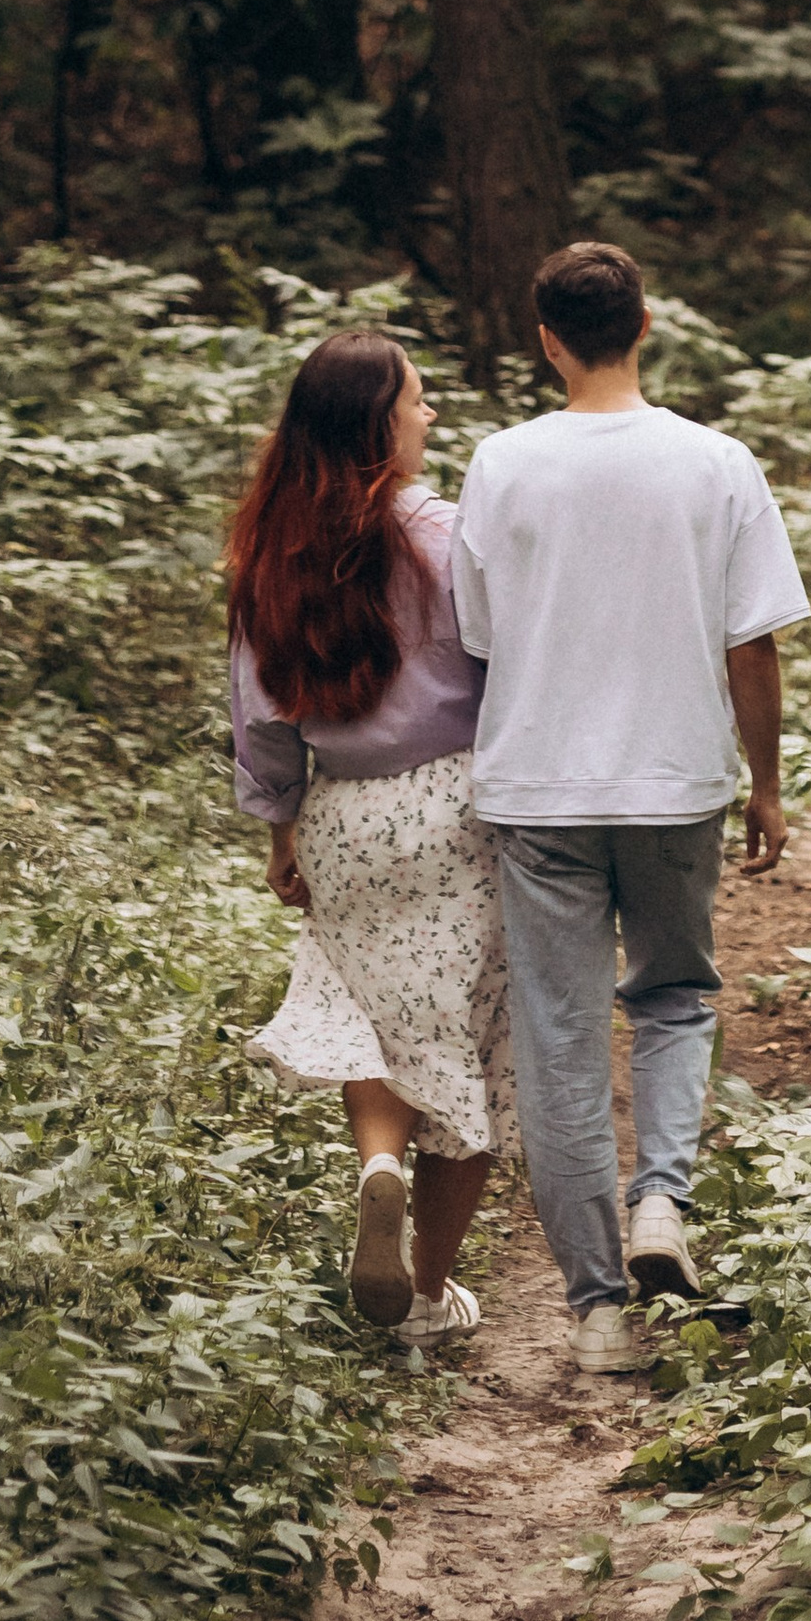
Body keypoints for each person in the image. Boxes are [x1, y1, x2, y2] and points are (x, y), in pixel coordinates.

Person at [452, 238, 808, 1376]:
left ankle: (599, 1311)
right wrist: (767, 782)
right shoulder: (716, 463)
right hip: (672, 786)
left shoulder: (501, 464)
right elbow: (750, 642)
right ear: (645, 324)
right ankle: (663, 1200)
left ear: (546, 340)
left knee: (559, 1042)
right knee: (674, 999)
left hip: (538, 788)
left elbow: (479, 635)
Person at [228, 329, 512, 1344]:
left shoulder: (270, 550)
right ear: (377, 426)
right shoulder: (450, 536)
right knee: (467, 1041)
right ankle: (427, 1298)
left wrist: (280, 834)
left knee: (367, 1014)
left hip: (343, 815)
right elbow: (506, 667)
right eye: (418, 404)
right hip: (459, 812)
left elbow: (260, 718)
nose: (428, 418)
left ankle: (378, 1168)